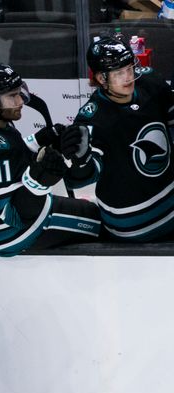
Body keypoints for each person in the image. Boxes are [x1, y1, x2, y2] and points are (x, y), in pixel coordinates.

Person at [0, 63, 101, 256]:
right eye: (12, 96)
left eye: (18, 92)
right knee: (95, 218)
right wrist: (39, 181)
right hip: (4, 234)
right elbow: (15, 215)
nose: (20, 100)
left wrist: (39, 140)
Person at [61, 37, 174, 242]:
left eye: (130, 69)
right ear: (101, 78)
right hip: (131, 223)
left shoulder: (151, 83)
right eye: (119, 73)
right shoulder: (92, 119)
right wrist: (81, 161)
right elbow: (83, 177)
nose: (128, 77)